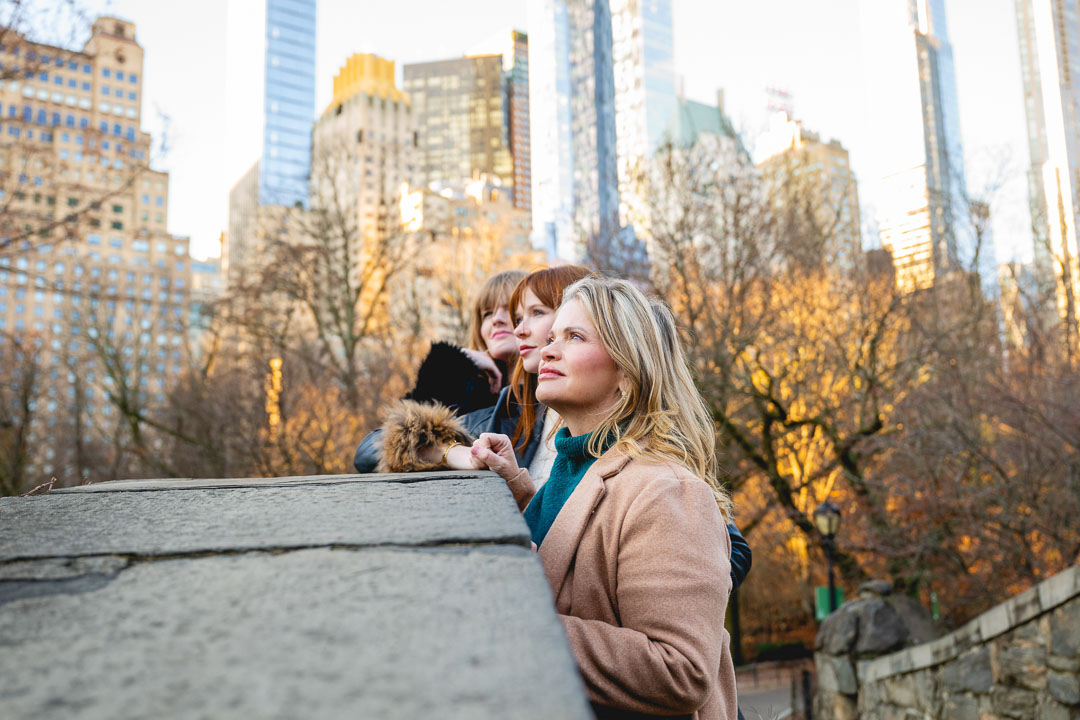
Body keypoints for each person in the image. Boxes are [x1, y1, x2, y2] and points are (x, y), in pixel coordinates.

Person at [466, 277, 739, 720]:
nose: (549, 349)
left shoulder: (667, 491)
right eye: (552, 337)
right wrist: (515, 489)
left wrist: (521, 618)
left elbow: (681, 670)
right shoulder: (570, 469)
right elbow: (575, 557)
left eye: (574, 337)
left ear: (627, 372)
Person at [352, 266, 592, 474]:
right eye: (487, 313)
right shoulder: (500, 406)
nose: (501, 321)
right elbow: (374, 447)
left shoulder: (541, 403)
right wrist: (450, 363)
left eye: (534, 312)